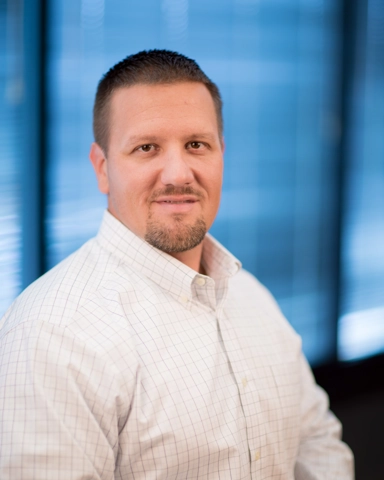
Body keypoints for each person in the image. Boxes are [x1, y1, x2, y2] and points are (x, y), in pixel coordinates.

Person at [0, 49, 353, 479]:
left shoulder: (251, 296)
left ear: (221, 153)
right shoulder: (50, 334)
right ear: (102, 168)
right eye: (146, 148)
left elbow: (316, 441)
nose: (177, 174)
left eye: (196, 145)